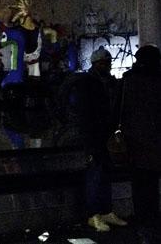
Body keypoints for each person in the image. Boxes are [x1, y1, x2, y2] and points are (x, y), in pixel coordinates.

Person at [75, 46, 127, 232]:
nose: (108, 66)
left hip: (102, 135)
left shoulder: (98, 82)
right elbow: (87, 113)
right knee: (96, 175)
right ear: (98, 63)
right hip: (95, 137)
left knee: (102, 174)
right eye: (105, 63)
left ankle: (103, 211)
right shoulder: (90, 83)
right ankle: (94, 213)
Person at [121, 45, 161, 240]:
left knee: (139, 183)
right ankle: (152, 217)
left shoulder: (129, 80)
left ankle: (142, 218)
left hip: (134, 140)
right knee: (152, 183)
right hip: (154, 140)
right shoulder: (157, 79)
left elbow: (119, 109)